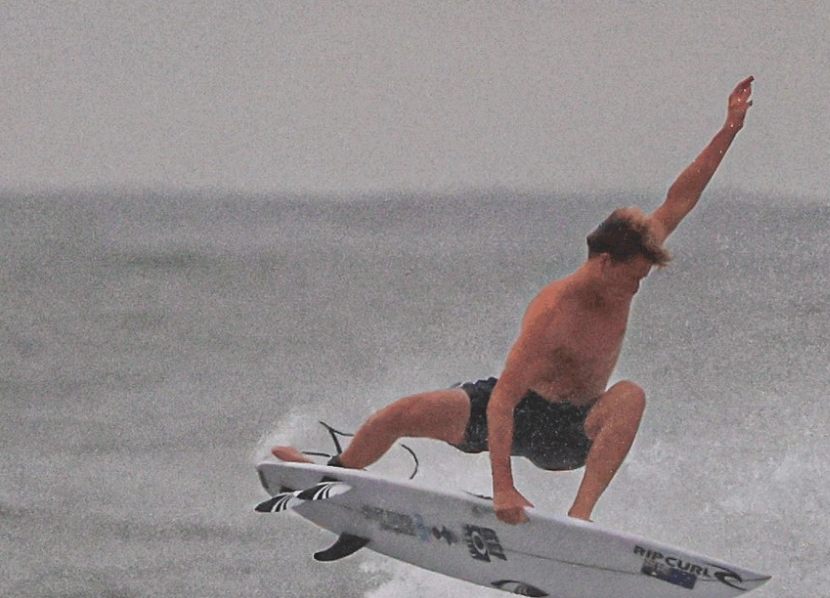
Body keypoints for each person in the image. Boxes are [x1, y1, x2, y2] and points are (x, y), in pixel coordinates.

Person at [272, 76, 756, 524]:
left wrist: (729, 128)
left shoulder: (633, 251)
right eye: (633, 278)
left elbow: (682, 196)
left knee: (630, 396)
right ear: (606, 263)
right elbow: (502, 402)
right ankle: (333, 477)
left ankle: (579, 519)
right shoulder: (553, 312)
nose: (638, 287)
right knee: (397, 415)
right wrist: (503, 488)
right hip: (518, 412)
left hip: (572, 430)